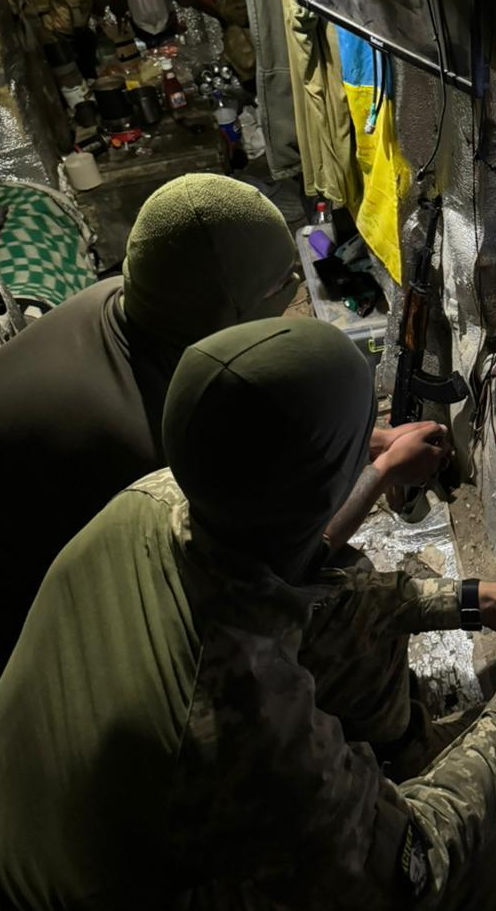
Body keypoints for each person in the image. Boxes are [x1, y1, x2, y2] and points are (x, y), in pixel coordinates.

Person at [0, 317, 496, 911]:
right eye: (364, 443)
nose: (374, 450)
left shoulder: (160, 495)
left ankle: (404, 750)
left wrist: (474, 599)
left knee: (347, 596)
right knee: (476, 865)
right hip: (131, 887)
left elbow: (302, 565)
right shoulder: (247, 727)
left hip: (71, 805)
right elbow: (416, 862)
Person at [0, 173, 447, 665]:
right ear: (225, 311)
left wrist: (368, 439)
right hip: (46, 639)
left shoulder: (130, 300)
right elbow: (271, 576)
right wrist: (382, 473)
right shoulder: (151, 448)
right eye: (279, 286)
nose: (295, 290)